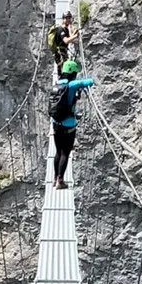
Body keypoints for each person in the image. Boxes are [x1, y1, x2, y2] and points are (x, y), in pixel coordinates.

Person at [50, 59, 93, 189]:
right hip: (68, 125)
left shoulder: (57, 85)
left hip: (55, 123)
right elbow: (88, 82)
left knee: (58, 152)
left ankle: (54, 178)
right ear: (72, 73)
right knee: (65, 152)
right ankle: (60, 181)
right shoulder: (72, 85)